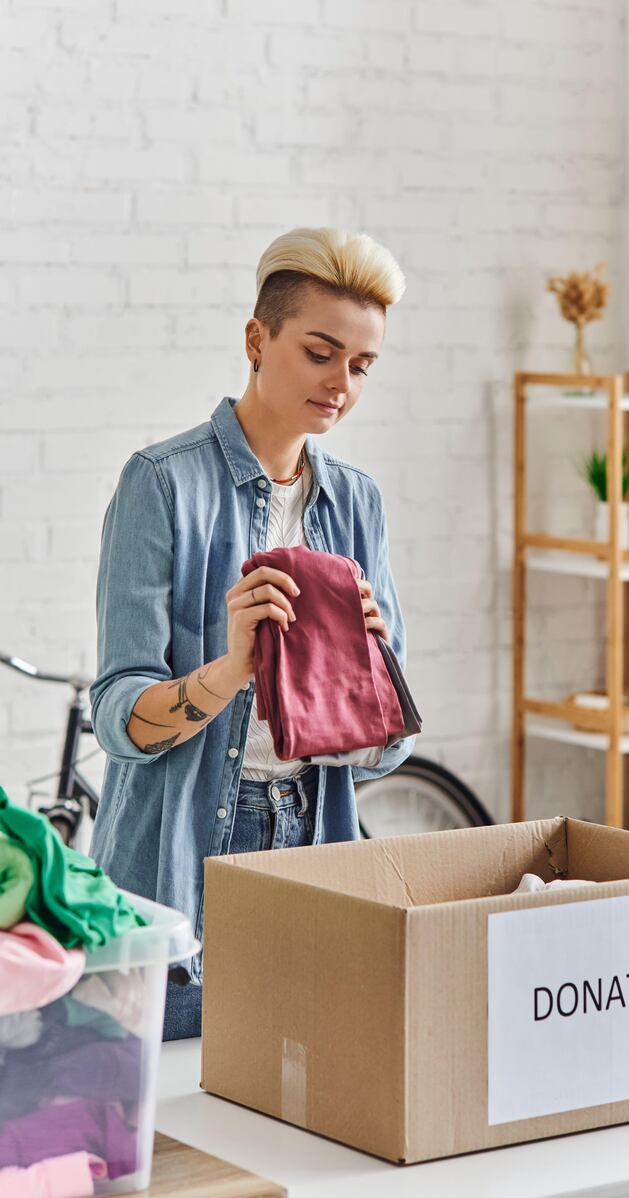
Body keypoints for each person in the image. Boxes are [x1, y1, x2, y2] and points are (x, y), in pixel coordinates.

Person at [88, 227, 416, 1040]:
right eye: (320, 352)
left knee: (300, 1099)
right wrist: (232, 668)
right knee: (170, 1119)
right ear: (257, 339)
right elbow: (118, 716)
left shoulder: (357, 504)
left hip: (313, 836)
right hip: (180, 851)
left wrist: (373, 682)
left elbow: (393, 748)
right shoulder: (161, 484)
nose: (341, 383)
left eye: (362, 365)